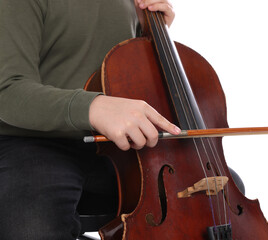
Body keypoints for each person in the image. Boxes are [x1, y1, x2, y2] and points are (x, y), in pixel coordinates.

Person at [0, 0, 179, 239]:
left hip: (112, 144)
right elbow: (7, 91)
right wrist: (93, 107)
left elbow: (124, 72)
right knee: (34, 227)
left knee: (212, 195)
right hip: (31, 141)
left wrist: (149, 34)